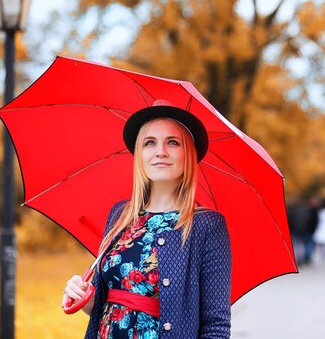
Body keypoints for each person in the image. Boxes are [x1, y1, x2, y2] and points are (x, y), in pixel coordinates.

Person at [62, 100, 232, 339]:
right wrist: (83, 298)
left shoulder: (206, 226)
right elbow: (107, 307)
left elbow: (216, 327)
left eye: (173, 142)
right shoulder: (120, 215)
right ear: (139, 154)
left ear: (188, 154)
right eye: (149, 142)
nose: (160, 151)